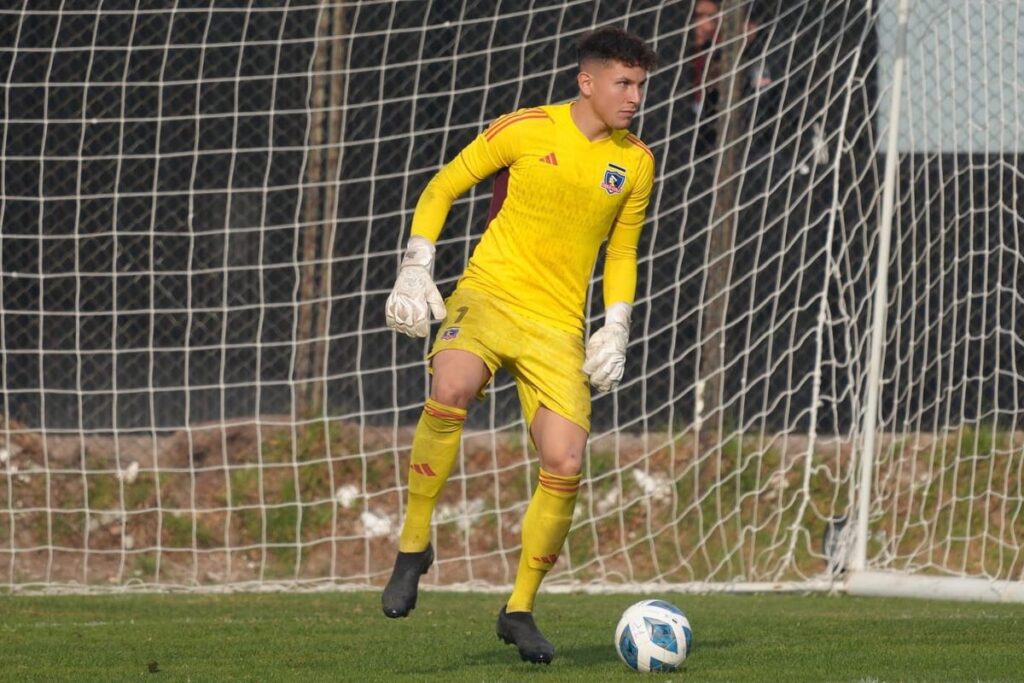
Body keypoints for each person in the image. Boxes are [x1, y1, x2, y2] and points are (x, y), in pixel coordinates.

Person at [380, 26, 658, 665]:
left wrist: (615, 324)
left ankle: (519, 609)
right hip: (488, 296)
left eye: (640, 85)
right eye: (623, 83)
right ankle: (413, 547)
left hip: (557, 326)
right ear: (586, 82)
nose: (635, 96)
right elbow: (441, 187)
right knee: (450, 388)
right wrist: (417, 265)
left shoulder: (636, 161)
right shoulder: (525, 128)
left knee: (565, 461)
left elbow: (622, 250)